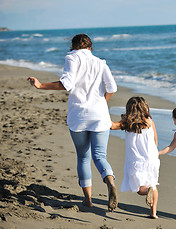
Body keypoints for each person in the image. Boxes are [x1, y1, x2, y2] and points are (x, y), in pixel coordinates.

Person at [27, 33, 118, 212]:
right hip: (100, 115)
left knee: (83, 156)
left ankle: (88, 200)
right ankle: (110, 181)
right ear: (90, 48)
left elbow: (66, 84)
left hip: (79, 116)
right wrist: (102, 103)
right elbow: (112, 88)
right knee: (100, 156)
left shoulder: (72, 57)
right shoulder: (101, 62)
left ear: (74, 47)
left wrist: (40, 85)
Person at [111, 96, 160, 219]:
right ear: (145, 108)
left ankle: (147, 191)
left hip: (136, 160)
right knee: (153, 184)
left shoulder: (127, 123)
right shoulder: (149, 121)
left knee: (139, 188)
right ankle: (153, 213)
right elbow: (155, 140)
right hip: (152, 158)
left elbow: (111, 126)